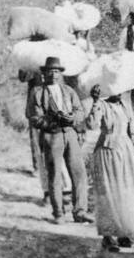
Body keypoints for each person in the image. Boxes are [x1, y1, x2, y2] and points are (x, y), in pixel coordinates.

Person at [86, 85, 134, 252]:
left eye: (121, 89)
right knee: (108, 191)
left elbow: (132, 129)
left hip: (126, 151)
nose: (118, 92)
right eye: (115, 88)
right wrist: (94, 102)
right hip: (107, 151)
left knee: (126, 191)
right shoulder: (102, 105)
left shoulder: (125, 106)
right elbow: (92, 125)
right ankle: (108, 236)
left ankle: (124, 233)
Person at [28, 56, 93, 225]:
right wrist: (53, 122)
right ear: (44, 73)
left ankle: (80, 211)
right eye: (50, 71)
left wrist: (72, 119)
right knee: (55, 174)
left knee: (79, 172)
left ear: (61, 73)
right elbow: (34, 117)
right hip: (52, 136)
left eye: (57, 71)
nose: (54, 75)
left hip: (70, 134)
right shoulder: (37, 92)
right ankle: (58, 213)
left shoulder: (68, 90)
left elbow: (79, 111)